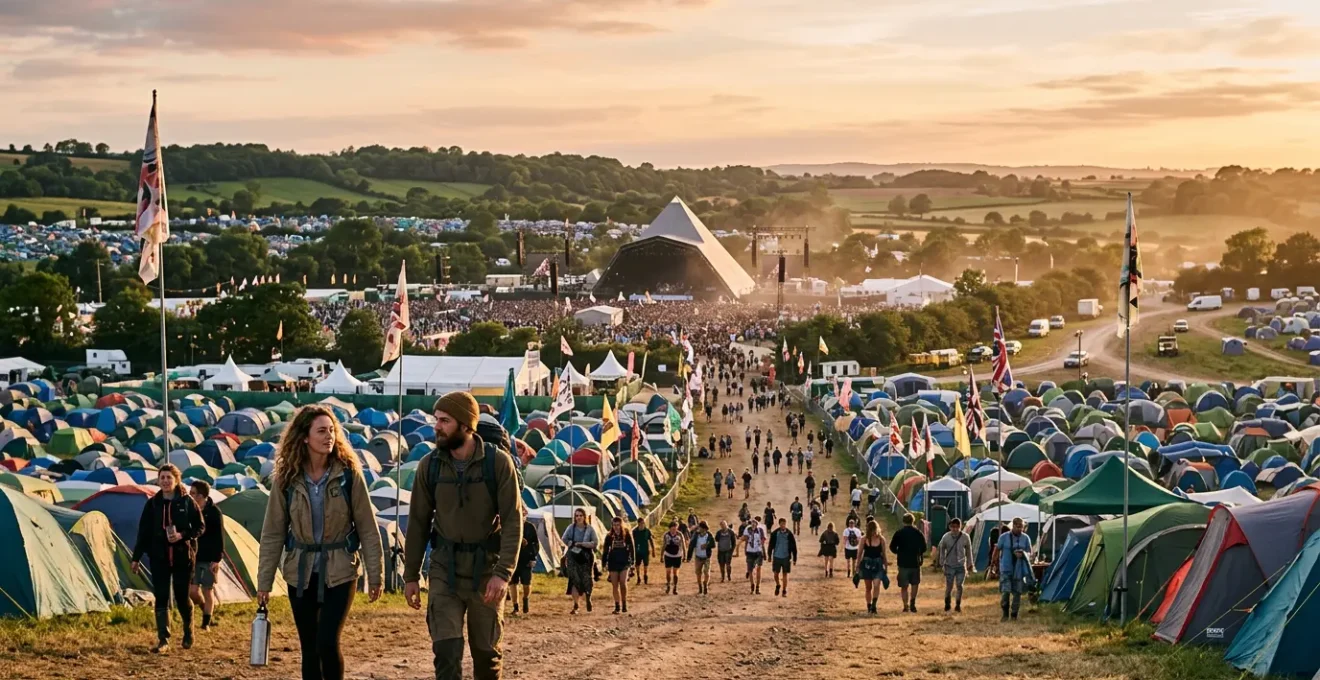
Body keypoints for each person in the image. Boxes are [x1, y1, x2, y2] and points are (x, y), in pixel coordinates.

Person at [257, 405, 385, 680]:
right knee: (309, 648)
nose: (329, 436)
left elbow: (368, 528)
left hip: (340, 571)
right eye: (321, 431)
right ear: (305, 437)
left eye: (332, 431)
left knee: (327, 641)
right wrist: (264, 582)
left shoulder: (349, 474)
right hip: (300, 572)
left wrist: (376, 575)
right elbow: (273, 533)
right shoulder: (287, 479)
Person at [401, 392, 522, 680]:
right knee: (446, 653)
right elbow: (418, 523)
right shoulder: (429, 466)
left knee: (486, 656)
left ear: (467, 426)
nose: (437, 427)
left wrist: (503, 573)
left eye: (445, 421)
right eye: (436, 420)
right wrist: (410, 576)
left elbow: (513, 520)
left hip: (487, 570)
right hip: (445, 568)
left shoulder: (498, 464)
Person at [132, 463, 203, 654]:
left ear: (176, 480)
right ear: (158, 480)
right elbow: (143, 532)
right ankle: (163, 639)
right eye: (162, 477)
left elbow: (199, 526)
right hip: (159, 557)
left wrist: (182, 535)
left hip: (182, 557)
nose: (165, 481)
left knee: (181, 597)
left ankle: (188, 631)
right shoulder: (153, 504)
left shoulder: (187, 502)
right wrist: (136, 557)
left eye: (168, 477)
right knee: (161, 597)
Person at [187, 480, 224, 632]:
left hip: (209, 557)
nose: (191, 495)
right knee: (192, 591)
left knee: (207, 590)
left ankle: (206, 623)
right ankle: (205, 609)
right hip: (194, 555)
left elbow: (220, 536)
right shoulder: (191, 510)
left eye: (193, 493)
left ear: (201, 496)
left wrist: (217, 560)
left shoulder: (214, 512)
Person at [889, 513, 929, 613]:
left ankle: (905, 605)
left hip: (902, 563)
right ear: (913, 521)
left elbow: (892, 547)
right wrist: (918, 553)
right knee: (915, 584)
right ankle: (913, 603)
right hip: (915, 562)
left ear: (903, 521)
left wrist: (898, 552)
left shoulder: (899, 533)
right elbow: (924, 547)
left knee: (904, 585)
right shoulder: (918, 533)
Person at [997, 517, 1034, 621]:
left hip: (1019, 569)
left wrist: (1023, 554)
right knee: (1006, 591)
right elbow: (997, 549)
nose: (1020, 529)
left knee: (1017, 592)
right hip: (1006, 568)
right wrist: (993, 564)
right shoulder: (1004, 537)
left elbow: (1030, 553)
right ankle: (1005, 613)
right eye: (1018, 527)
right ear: (1013, 526)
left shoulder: (1026, 538)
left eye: (1021, 527)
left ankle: (1014, 615)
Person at [562, 508, 598, 613]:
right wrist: (572, 543)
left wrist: (583, 544)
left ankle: (588, 596)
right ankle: (576, 604)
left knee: (587, 578)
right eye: (577, 516)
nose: (578, 518)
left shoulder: (589, 529)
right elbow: (564, 538)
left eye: (580, 515)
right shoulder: (571, 528)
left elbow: (595, 542)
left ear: (584, 517)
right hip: (573, 556)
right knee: (573, 579)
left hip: (586, 556)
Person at [937, 518, 974, 613]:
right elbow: (941, 549)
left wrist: (970, 564)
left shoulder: (965, 537)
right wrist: (941, 562)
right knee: (949, 586)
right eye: (953, 527)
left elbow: (969, 552)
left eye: (957, 527)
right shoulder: (946, 537)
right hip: (949, 565)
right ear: (950, 527)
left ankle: (958, 604)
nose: (955, 529)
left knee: (959, 585)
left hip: (961, 566)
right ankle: (947, 603)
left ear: (960, 527)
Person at [855, 520, 891, 614]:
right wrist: (857, 566)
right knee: (868, 587)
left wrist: (886, 566)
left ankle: (874, 605)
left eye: (874, 530)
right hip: (867, 564)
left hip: (878, 564)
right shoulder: (864, 539)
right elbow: (859, 553)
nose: (874, 532)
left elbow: (884, 554)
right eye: (872, 530)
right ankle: (869, 605)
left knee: (876, 584)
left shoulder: (881, 539)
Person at [601, 517, 636, 613]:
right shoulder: (609, 536)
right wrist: (604, 563)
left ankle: (624, 603)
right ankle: (617, 605)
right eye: (614, 525)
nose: (616, 527)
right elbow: (605, 550)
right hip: (613, 562)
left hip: (624, 561)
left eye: (618, 525)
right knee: (615, 585)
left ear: (621, 525)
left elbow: (632, 548)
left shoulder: (626, 534)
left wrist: (633, 562)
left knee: (623, 583)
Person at [511, 508, 538, 614]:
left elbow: (535, 544)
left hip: (526, 559)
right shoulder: (511, 526)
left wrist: (533, 558)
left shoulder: (530, 527)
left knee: (526, 584)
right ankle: (515, 606)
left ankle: (525, 599)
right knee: (513, 583)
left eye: (522, 514)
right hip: (513, 558)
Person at [768, 518, 797, 597]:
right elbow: (770, 545)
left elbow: (794, 546)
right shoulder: (775, 533)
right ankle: (778, 585)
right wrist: (769, 555)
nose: (783, 525)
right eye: (782, 524)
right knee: (775, 574)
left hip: (786, 557)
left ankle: (784, 591)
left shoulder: (789, 534)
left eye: (784, 524)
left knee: (785, 574)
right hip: (777, 556)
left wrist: (794, 558)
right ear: (779, 524)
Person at [739, 516, 768, 594]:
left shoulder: (761, 530)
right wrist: (744, 547)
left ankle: (758, 587)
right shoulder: (747, 529)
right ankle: (752, 585)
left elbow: (763, 541)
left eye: (755, 523)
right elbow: (745, 539)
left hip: (758, 551)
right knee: (750, 570)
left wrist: (764, 553)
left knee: (758, 569)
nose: (753, 525)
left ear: (757, 524)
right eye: (752, 523)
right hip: (750, 551)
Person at [687, 521, 716, 594]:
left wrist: (706, 546)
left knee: (707, 573)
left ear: (704, 528)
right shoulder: (696, 535)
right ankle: (700, 586)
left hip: (706, 557)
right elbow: (691, 545)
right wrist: (689, 557)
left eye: (700, 527)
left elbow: (713, 545)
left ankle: (705, 584)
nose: (698, 528)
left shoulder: (709, 535)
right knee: (698, 573)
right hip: (698, 557)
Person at [661, 520, 687, 595]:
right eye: (672, 529)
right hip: (668, 555)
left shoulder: (680, 534)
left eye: (675, 529)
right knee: (668, 572)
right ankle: (668, 584)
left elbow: (683, 545)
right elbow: (664, 545)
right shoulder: (666, 535)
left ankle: (675, 586)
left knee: (675, 573)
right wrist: (661, 556)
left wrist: (685, 555)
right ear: (669, 529)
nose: (674, 531)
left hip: (677, 555)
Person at [632, 516, 654, 586]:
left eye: (643, 523)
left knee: (646, 564)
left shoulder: (647, 531)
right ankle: (638, 577)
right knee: (637, 564)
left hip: (645, 550)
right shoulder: (635, 531)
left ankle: (645, 575)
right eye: (641, 523)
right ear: (638, 524)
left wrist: (653, 549)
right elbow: (632, 541)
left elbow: (650, 540)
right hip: (637, 551)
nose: (642, 525)